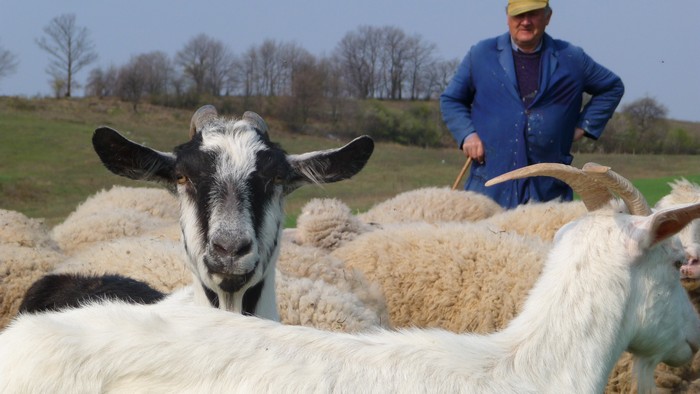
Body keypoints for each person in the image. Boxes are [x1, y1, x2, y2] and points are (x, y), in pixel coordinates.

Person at [440, 0, 624, 209]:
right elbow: (451, 99)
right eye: (519, 15)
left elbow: (612, 87)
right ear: (508, 17)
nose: (525, 22)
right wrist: (467, 134)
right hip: (490, 186)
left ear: (548, 16)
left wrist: (585, 125)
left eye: (533, 14)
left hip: (548, 190)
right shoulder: (481, 54)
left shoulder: (571, 58)